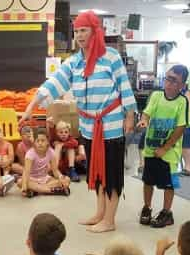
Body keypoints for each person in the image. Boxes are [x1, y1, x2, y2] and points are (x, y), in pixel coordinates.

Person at [21, 11, 136, 233]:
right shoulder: (74, 62)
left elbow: (124, 87)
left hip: (111, 127)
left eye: (84, 30)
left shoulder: (111, 57)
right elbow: (54, 83)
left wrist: (130, 116)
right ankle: (100, 213)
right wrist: (30, 106)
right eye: (77, 31)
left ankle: (110, 220)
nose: (80, 35)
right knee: (96, 171)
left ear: (95, 31)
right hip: (89, 126)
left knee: (112, 173)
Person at [138, 65, 189, 228]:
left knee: (168, 183)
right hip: (151, 149)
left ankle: (167, 213)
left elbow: (181, 127)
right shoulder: (156, 96)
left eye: (174, 80)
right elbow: (147, 112)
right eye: (167, 78)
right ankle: (147, 207)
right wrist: (144, 120)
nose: (168, 83)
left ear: (182, 85)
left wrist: (165, 148)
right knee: (148, 181)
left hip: (169, 153)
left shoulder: (182, 102)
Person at [18, 127, 70, 198]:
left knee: (67, 180)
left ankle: (36, 190)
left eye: (43, 141)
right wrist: (24, 187)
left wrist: (61, 177)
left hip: (45, 179)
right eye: (38, 141)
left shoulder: (51, 152)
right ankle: (51, 191)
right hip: (32, 179)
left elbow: (55, 170)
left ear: (47, 142)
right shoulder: (30, 154)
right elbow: (26, 172)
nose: (40, 143)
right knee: (20, 182)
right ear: (34, 142)